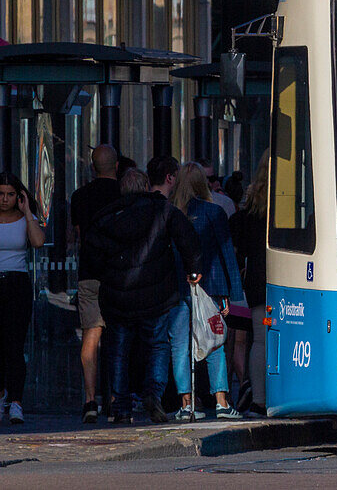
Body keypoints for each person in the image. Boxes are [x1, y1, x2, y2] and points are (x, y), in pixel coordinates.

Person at [83, 169, 202, 424]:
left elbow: (92, 255)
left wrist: (108, 273)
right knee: (157, 344)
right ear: (147, 185)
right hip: (156, 294)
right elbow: (187, 238)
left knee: (118, 350)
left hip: (118, 295)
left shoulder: (106, 217)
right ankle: (153, 393)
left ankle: (121, 406)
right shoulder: (163, 209)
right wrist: (193, 269)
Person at [169, 162, 245, 420]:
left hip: (177, 289)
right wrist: (231, 293)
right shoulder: (214, 212)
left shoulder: (171, 213)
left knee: (180, 345)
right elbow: (226, 254)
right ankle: (222, 401)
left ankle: (186, 403)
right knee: (215, 342)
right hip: (211, 287)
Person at [69, 144, 121, 423]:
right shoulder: (123, 194)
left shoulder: (79, 196)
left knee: (91, 335)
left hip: (89, 272)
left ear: (92, 168)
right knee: (119, 337)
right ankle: (115, 399)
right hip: (118, 273)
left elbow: (76, 234)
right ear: (116, 167)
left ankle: (90, 400)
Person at [0, 174, 45, 424]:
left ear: (18, 196)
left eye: (10, 194)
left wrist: (27, 211)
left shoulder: (24, 217)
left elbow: (38, 242)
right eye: (1, 194)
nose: (5, 199)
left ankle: (16, 401)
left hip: (17, 284)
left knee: (14, 345)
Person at [229, 152, 268, 416]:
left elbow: (239, 249)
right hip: (286, 276)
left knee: (260, 341)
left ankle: (259, 399)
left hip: (256, 280)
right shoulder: (288, 202)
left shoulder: (249, 210)